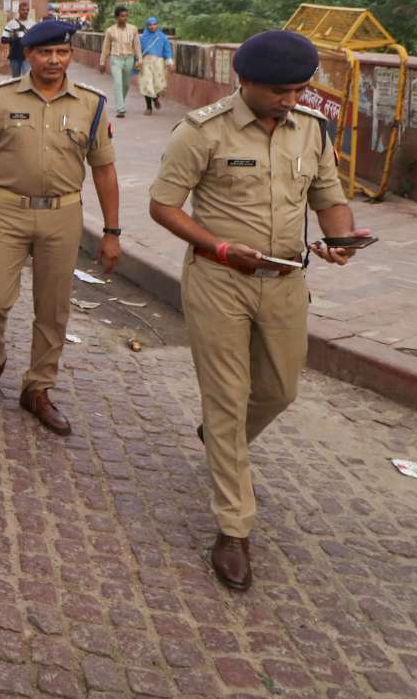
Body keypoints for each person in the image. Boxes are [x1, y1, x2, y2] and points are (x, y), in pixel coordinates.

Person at [147, 30, 368, 591]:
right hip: (219, 280)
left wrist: (341, 240)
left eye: (298, 90)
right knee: (226, 398)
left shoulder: (311, 130)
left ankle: (221, 439)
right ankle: (234, 528)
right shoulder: (202, 131)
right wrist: (219, 247)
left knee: (279, 390)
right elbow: (163, 205)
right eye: (279, 91)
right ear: (243, 80)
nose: (290, 100)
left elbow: (329, 199)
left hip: (286, 281)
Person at [0, 20, 121, 434]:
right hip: (7, 212)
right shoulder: (0, 99)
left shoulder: (91, 104)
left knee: (52, 308)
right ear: (28, 55)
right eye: (45, 52)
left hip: (62, 215)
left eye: (62, 52)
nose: (54, 60)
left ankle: (38, 387)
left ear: (70, 55)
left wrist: (112, 231)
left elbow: (104, 169)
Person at [99, 6, 142, 118]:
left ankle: (120, 101)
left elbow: (137, 45)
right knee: (118, 83)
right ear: (117, 17)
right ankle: (120, 109)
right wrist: (102, 62)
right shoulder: (110, 31)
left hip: (129, 58)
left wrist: (140, 59)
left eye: (126, 16)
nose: (125, 18)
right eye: (122, 16)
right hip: (116, 59)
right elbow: (106, 48)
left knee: (126, 84)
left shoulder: (133, 29)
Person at [139, 17, 174, 115]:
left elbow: (167, 51)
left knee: (158, 85)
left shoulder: (162, 37)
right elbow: (138, 51)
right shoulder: (142, 38)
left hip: (159, 63)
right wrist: (138, 61)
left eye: (154, 24)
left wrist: (170, 63)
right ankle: (149, 107)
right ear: (147, 26)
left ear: (157, 25)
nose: (152, 26)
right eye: (150, 25)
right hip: (146, 63)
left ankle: (155, 99)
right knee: (147, 83)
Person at [1, 2, 31, 77]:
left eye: (27, 10)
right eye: (23, 10)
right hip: (15, 56)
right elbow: (3, 40)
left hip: (28, 56)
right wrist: (13, 38)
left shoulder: (32, 24)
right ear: (19, 11)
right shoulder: (11, 24)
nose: (25, 12)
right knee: (16, 79)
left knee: (27, 78)